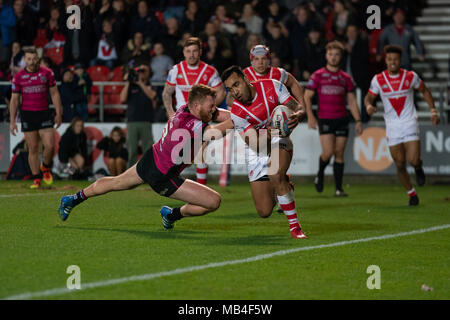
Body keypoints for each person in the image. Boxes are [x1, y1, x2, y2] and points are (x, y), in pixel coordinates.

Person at [57, 85, 230, 230]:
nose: (214, 109)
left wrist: (242, 114)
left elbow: (220, 115)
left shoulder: (186, 108)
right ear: (198, 105)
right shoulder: (191, 124)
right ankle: (171, 214)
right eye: (211, 106)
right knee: (213, 202)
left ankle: (73, 199)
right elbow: (213, 134)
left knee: (115, 182)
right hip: (162, 176)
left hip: (152, 158)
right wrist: (241, 120)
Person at [215, 66, 307, 239]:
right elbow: (256, 145)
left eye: (237, 84)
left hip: (279, 138)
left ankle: (295, 228)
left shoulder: (273, 86)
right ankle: (285, 185)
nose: (235, 92)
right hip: (258, 145)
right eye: (230, 89)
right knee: (264, 211)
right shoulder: (237, 113)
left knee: (274, 174)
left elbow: (298, 107)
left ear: (246, 79)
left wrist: (298, 115)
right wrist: (269, 131)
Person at [364, 45, 440, 206]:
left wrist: (433, 110)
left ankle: (418, 167)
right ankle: (412, 194)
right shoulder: (378, 79)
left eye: (396, 59)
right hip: (392, 126)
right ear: (386, 60)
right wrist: (368, 106)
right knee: (399, 163)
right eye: (390, 59)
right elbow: (368, 98)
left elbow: (425, 91)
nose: (392, 62)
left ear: (401, 60)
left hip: (409, 122)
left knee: (413, 160)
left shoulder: (410, 76)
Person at [162, 37, 226, 185]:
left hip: (200, 119)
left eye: (195, 51)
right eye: (188, 51)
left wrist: (208, 109)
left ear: (200, 52)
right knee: (176, 154)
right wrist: (171, 113)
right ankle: (169, 184)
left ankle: (201, 188)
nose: (191, 55)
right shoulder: (176, 70)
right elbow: (166, 93)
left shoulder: (209, 71)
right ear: (184, 52)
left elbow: (221, 92)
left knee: (200, 153)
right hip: (181, 119)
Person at [304, 40, 363, 197]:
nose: (333, 57)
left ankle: (338, 188)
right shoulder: (317, 76)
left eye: (337, 54)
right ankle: (320, 173)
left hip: (342, 119)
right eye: (331, 54)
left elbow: (351, 100)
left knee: (339, 153)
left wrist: (358, 120)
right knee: (328, 152)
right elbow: (307, 96)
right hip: (325, 119)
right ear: (326, 56)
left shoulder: (346, 78)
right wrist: (310, 116)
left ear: (341, 57)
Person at [9, 47, 63, 188]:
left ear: (38, 59)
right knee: (32, 148)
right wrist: (12, 121)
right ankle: (36, 179)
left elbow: (55, 94)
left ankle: (45, 167)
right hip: (28, 115)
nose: (32, 62)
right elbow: (14, 100)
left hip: (44, 113)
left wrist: (58, 113)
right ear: (25, 60)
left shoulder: (47, 73)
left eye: (34, 59)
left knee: (50, 146)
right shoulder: (19, 77)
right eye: (29, 59)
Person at [241, 45, 305, 108]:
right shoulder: (244, 75)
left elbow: (293, 83)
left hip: (275, 115)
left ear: (268, 60)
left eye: (263, 58)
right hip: (253, 113)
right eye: (256, 59)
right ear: (251, 61)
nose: (260, 62)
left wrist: (302, 106)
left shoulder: (278, 73)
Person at [120, 64, 157, 168]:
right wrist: (128, 82)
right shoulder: (131, 86)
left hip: (146, 121)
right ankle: (131, 173)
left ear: (148, 73)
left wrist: (140, 83)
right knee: (132, 149)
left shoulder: (150, 84)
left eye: (143, 71)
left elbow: (152, 95)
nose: (141, 73)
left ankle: (149, 171)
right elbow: (122, 98)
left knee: (148, 149)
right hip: (132, 121)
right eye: (139, 71)